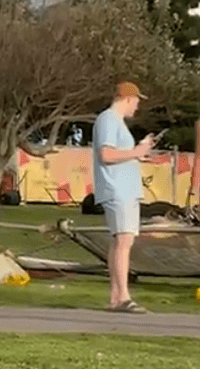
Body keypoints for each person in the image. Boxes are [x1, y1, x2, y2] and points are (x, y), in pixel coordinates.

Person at [92, 81, 154, 314]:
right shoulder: (108, 119)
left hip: (124, 188)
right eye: (137, 101)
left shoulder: (115, 122)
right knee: (123, 241)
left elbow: (117, 154)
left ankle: (116, 296)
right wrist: (136, 152)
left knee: (121, 241)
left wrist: (138, 154)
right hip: (118, 189)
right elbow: (106, 154)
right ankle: (122, 297)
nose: (137, 107)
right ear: (128, 98)